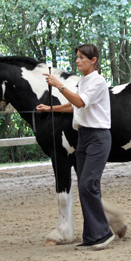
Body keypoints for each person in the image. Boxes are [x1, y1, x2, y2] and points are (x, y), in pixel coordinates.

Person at [36, 44, 114, 250]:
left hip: (98, 137)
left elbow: (80, 102)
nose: (77, 61)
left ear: (93, 60)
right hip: (84, 136)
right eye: (77, 57)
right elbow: (73, 106)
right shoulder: (83, 81)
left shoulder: (97, 81)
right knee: (84, 186)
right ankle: (91, 236)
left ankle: (103, 233)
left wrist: (59, 85)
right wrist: (51, 108)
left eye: (81, 58)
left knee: (88, 184)